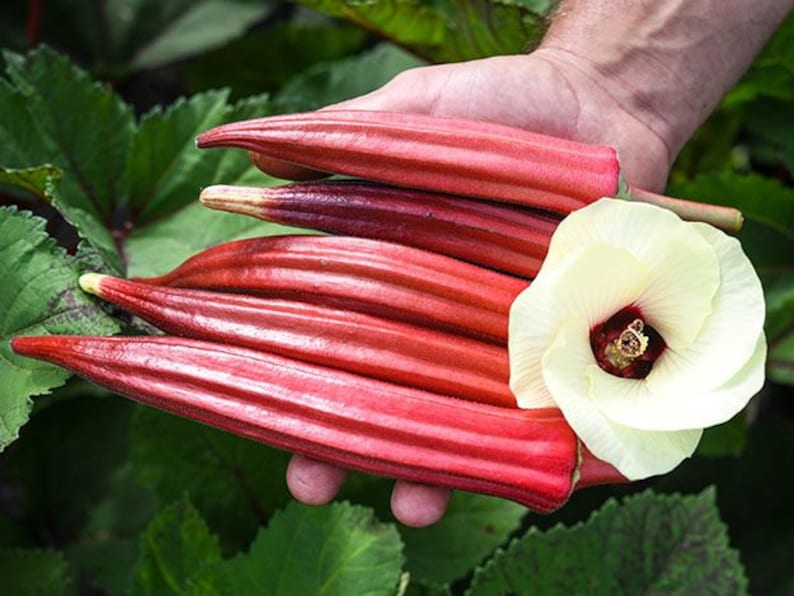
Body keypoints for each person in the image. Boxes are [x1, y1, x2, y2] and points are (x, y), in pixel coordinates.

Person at [256, 0, 794, 526]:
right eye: (627, 342)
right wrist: (611, 82)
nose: (627, 344)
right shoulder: (591, 289)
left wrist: (612, 84)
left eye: (624, 348)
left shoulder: (603, 307)